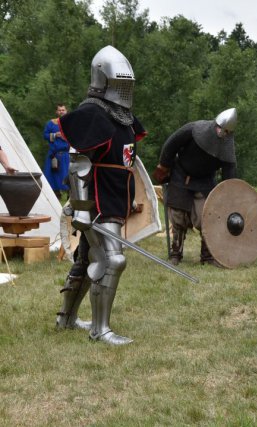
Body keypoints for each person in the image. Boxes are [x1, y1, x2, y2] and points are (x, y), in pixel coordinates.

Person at [54, 45, 147, 345]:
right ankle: (100, 329)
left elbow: (125, 161)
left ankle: (65, 319)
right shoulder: (91, 114)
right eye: (118, 83)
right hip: (96, 202)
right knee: (112, 260)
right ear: (103, 80)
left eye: (127, 84)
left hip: (114, 198)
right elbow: (79, 164)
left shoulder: (125, 118)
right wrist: (80, 208)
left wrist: (130, 197)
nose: (123, 89)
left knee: (85, 259)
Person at [152, 109, 238, 266]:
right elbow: (171, 144)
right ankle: (175, 253)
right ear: (215, 123)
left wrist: (229, 191)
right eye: (220, 128)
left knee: (207, 217)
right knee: (178, 216)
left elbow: (229, 169)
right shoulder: (195, 129)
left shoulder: (227, 147)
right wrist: (164, 165)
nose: (222, 133)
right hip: (181, 176)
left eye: (226, 131)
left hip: (205, 182)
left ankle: (207, 256)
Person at [42, 103, 70, 198]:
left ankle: (70, 197)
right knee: (53, 176)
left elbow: (77, 136)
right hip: (54, 155)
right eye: (59, 110)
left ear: (66, 111)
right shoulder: (51, 123)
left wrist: (65, 136)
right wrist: (55, 135)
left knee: (67, 176)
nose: (61, 111)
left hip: (67, 154)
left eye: (63, 110)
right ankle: (55, 196)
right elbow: (45, 135)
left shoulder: (71, 123)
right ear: (56, 112)